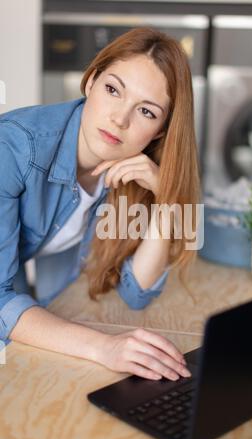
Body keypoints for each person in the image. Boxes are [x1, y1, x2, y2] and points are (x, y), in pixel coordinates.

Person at [0, 27, 200, 381]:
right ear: (91, 81)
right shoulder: (15, 148)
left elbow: (136, 291)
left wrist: (166, 199)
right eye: (113, 90)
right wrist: (103, 347)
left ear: (160, 132)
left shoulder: (129, 173)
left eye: (147, 112)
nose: (120, 119)